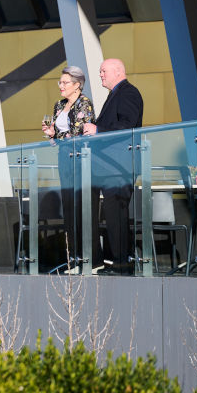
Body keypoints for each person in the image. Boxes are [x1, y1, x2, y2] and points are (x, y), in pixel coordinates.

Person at [82, 58, 143, 273]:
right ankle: (117, 262)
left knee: (117, 215)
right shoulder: (115, 94)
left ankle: (121, 265)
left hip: (119, 166)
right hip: (109, 167)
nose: (100, 75)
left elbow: (127, 125)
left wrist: (97, 130)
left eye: (103, 71)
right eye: (99, 71)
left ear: (118, 71)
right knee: (112, 215)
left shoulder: (128, 93)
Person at [41, 66, 94, 264]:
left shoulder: (84, 103)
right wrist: (51, 136)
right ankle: (72, 256)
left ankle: (84, 256)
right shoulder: (58, 105)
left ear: (77, 85)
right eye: (60, 82)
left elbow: (79, 134)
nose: (61, 86)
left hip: (80, 159)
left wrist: (57, 135)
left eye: (65, 83)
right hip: (64, 158)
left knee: (79, 205)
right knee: (69, 207)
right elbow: (57, 138)